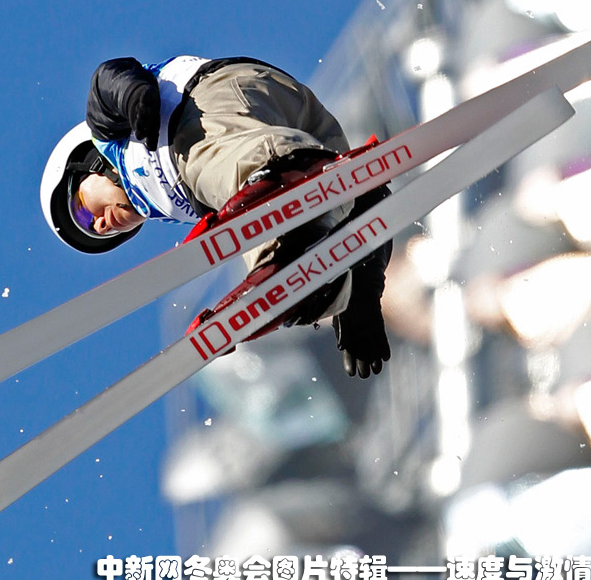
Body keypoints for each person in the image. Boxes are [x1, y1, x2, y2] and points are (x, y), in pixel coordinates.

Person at [40, 55, 391, 378]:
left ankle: (287, 202)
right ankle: (322, 283)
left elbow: (107, 80)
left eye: (82, 210)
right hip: (303, 127)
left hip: (216, 100)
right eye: (94, 231)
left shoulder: (110, 135)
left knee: (208, 168)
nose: (99, 224)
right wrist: (363, 295)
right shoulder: (177, 197)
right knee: (328, 210)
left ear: (87, 164)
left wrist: (133, 97)